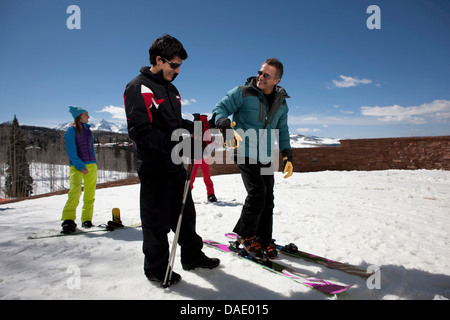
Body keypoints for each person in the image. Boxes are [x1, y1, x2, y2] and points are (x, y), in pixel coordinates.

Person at [124, 34, 220, 285]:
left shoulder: (171, 88)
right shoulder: (138, 87)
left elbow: (176, 123)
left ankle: (192, 256)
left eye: (179, 67)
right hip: (154, 166)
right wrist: (179, 142)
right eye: (173, 65)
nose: (177, 71)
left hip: (175, 163)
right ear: (159, 60)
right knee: (156, 221)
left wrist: (202, 127)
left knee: (186, 215)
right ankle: (156, 268)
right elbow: (139, 131)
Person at [212, 58, 294, 259]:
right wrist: (223, 122)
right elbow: (220, 109)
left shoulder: (281, 103)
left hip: (265, 153)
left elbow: (282, 130)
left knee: (268, 198)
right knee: (257, 193)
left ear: (277, 80)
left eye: (266, 75)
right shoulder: (242, 92)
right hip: (244, 149)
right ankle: (246, 236)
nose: (260, 77)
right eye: (260, 72)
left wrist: (287, 155)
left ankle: (264, 239)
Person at [61, 106, 98, 233]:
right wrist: (81, 166)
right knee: (75, 192)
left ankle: (87, 220)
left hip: (91, 165)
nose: (88, 116)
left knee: (90, 194)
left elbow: (91, 148)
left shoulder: (88, 130)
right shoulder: (71, 131)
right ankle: (68, 220)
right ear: (79, 116)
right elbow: (71, 152)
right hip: (77, 166)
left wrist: (94, 163)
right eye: (86, 114)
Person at [190, 113, 217, 203]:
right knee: (193, 177)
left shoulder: (205, 126)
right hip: (197, 155)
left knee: (195, 177)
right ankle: (186, 194)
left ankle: (210, 194)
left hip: (201, 155)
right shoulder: (201, 127)